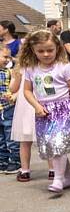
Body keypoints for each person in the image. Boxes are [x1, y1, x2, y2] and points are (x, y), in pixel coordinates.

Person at [19, 30, 70, 193]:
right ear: (33, 50)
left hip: (63, 110)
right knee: (53, 146)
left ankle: (58, 178)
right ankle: (68, 178)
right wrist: (36, 106)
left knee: (58, 144)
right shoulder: (31, 68)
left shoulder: (64, 67)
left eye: (50, 50)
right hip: (44, 112)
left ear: (57, 48)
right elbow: (27, 91)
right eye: (41, 51)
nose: (46, 54)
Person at [9, 64, 54, 182]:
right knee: (38, 139)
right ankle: (47, 170)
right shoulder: (29, 68)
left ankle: (29, 171)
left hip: (33, 104)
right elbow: (13, 89)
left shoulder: (26, 69)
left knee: (33, 140)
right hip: (34, 105)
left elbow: (13, 89)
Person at [0, 46, 21, 175]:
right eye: (5, 57)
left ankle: (15, 160)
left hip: (8, 108)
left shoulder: (10, 72)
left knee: (10, 136)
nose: (7, 60)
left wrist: (13, 95)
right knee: (0, 138)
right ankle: (2, 160)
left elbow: (18, 86)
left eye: (9, 57)